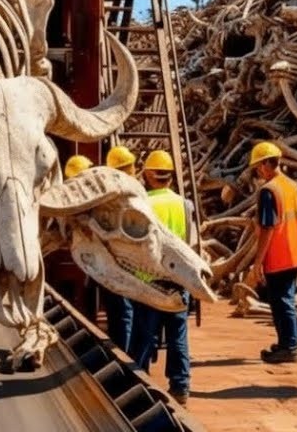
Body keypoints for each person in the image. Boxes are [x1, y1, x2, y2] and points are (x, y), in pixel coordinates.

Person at [127, 150, 192, 405]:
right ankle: (180, 386)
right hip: (179, 278)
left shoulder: (143, 204)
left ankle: (139, 384)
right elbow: (189, 242)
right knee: (178, 336)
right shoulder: (184, 205)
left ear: (147, 176)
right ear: (171, 177)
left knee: (144, 336)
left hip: (149, 279)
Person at [244, 141, 297, 364]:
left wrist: (258, 262)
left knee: (281, 302)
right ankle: (285, 343)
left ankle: (289, 347)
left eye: (258, 167)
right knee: (285, 300)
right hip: (294, 252)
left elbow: (268, 228)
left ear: (266, 164)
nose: (257, 172)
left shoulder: (269, 191)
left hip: (279, 255)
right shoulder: (291, 185)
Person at [101, 145, 138, 351]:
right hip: (128, 261)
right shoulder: (131, 195)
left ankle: (120, 352)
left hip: (112, 260)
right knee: (124, 312)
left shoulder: (110, 195)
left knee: (118, 311)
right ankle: (125, 354)